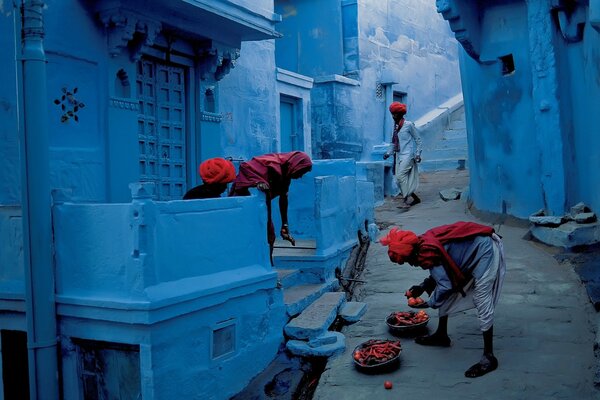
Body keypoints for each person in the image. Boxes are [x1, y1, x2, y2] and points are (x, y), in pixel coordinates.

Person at [380, 221, 506, 378]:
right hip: (471, 249)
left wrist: (429, 303)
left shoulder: (427, 251)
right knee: (442, 290)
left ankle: (489, 356)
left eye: (407, 261)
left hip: (484, 250)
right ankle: (441, 335)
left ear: (411, 253)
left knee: (482, 298)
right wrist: (423, 286)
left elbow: (445, 284)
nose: (411, 265)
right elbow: (442, 271)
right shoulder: (422, 244)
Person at [229, 151, 313, 265]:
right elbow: (246, 167)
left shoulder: (286, 173)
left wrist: (285, 225)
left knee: (269, 235)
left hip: (263, 205)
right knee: (248, 236)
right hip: (244, 203)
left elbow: (283, 198)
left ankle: (268, 266)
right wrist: (257, 181)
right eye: (301, 171)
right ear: (295, 164)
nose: (300, 176)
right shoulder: (271, 163)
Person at [383, 102, 422, 209]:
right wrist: (388, 153)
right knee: (398, 180)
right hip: (399, 155)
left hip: (408, 155)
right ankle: (415, 198)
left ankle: (405, 201)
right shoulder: (395, 128)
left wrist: (418, 154)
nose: (393, 116)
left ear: (400, 114)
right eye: (392, 114)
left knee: (400, 177)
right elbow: (393, 143)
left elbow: (418, 139)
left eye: (395, 114)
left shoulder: (409, 125)